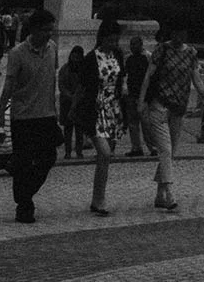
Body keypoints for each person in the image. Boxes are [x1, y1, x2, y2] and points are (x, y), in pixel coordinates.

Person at [0, 8, 63, 222]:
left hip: (47, 114)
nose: (49, 34)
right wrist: (0, 113)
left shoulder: (52, 48)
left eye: (51, 30)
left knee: (48, 157)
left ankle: (25, 193)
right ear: (33, 29)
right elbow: (9, 85)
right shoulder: (17, 54)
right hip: (23, 116)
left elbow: (53, 79)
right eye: (45, 30)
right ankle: (24, 205)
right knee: (24, 162)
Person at [139, 21, 199, 211]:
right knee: (165, 150)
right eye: (175, 31)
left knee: (170, 152)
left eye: (181, 32)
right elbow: (149, 75)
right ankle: (170, 194)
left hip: (178, 108)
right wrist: (141, 101)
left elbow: (195, 77)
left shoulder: (191, 53)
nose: (178, 36)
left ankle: (159, 194)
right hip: (159, 104)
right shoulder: (161, 50)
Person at [77, 19, 127, 216]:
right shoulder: (91, 58)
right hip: (96, 109)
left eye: (116, 40)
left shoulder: (118, 55)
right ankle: (99, 199)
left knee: (105, 158)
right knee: (104, 153)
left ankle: (98, 197)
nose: (113, 44)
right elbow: (83, 86)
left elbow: (120, 81)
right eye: (110, 40)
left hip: (113, 109)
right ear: (102, 38)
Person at [122, 30, 152, 157]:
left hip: (144, 95)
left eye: (135, 44)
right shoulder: (128, 58)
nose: (133, 47)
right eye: (131, 45)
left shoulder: (147, 57)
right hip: (132, 93)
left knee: (146, 123)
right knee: (133, 123)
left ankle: (151, 146)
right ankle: (136, 147)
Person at [59, 44, 91, 158]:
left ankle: (79, 151)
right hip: (67, 102)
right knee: (68, 129)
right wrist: (70, 96)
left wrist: (78, 97)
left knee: (79, 130)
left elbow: (85, 85)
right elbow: (61, 85)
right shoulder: (65, 68)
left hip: (80, 103)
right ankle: (67, 152)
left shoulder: (83, 70)